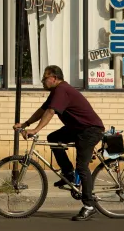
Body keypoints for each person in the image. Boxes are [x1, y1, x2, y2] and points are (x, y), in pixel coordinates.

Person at [13, 65, 105, 221]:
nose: (43, 81)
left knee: (82, 166)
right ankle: (68, 173)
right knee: (53, 138)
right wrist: (25, 124)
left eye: (45, 78)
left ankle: (89, 206)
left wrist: (35, 130)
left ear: (54, 78)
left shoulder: (62, 90)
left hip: (90, 130)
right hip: (77, 129)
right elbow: (43, 110)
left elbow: (50, 112)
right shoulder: (56, 92)